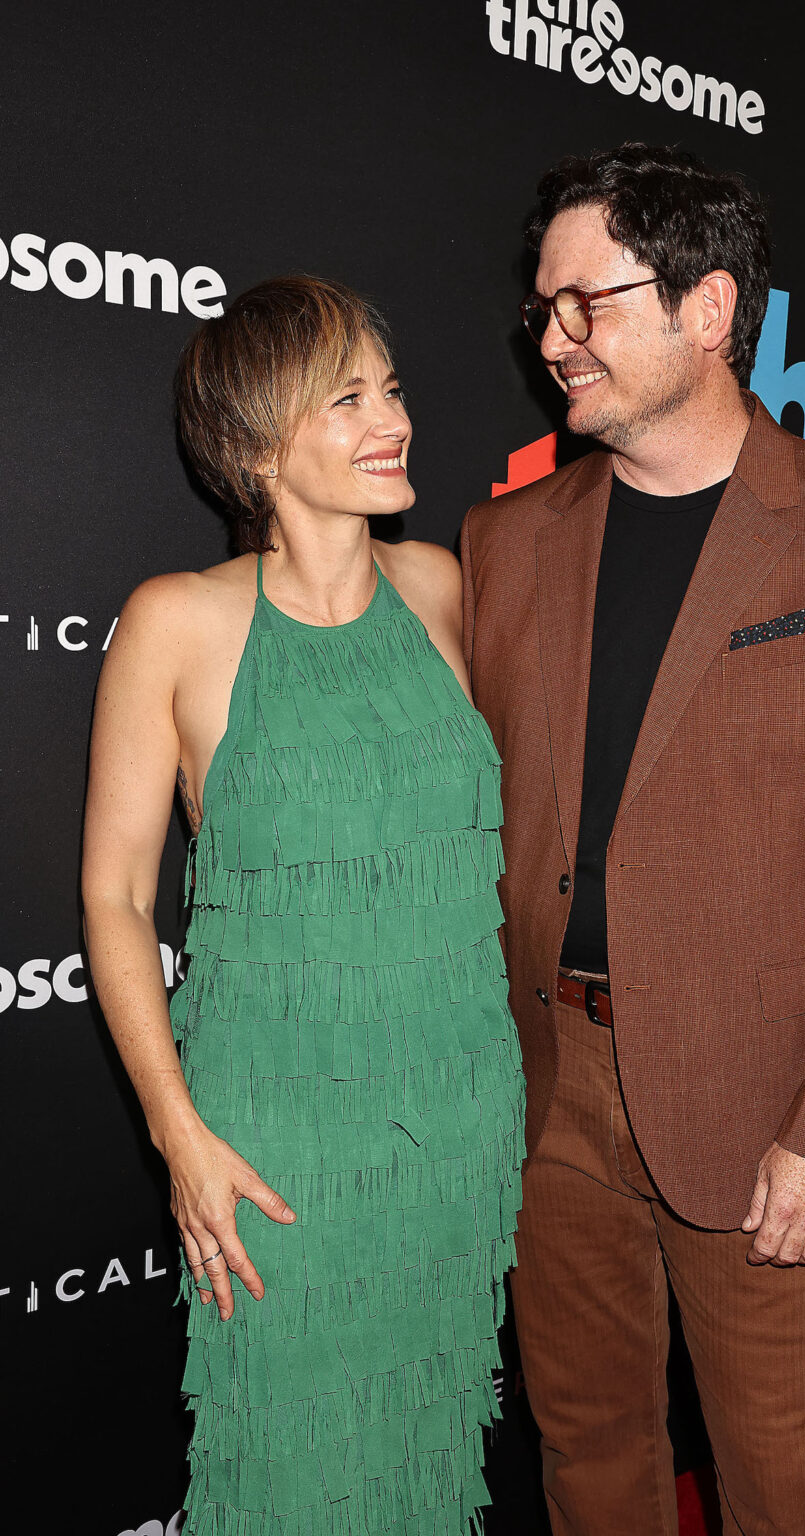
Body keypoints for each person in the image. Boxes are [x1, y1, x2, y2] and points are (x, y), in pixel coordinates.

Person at [459, 145, 805, 1536]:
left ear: (708, 308)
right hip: (541, 1090)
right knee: (591, 1459)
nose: (556, 339)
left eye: (590, 304)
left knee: (785, 1485)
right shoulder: (506, 544)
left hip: (763, 1103)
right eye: (544, 309)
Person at [81, 275, 525, 1535]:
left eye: (389, 389)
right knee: (286, 1467)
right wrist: (180, 1136)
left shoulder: (442, 585)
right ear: (256, 443)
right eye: (348, 398)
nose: (391, 418)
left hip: (455, 1115)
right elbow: (115, 897)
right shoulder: (174, 623)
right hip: (273, 1142)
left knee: (432, 1441)